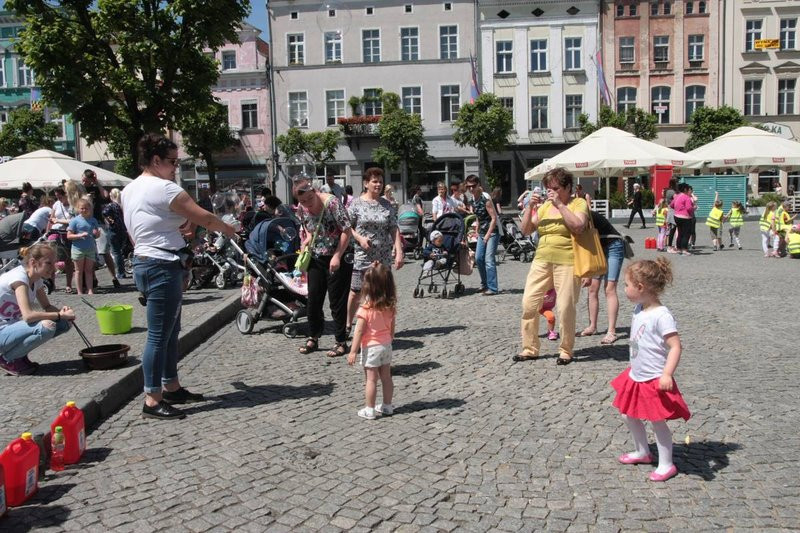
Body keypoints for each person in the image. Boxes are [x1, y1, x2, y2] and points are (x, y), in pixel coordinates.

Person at [122, 133, 237, 420]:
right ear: (156, 160)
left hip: (146, 260)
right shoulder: (165, 189)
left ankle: (171, 387)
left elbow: (142, 227)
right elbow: (206, 219)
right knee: (159, 336)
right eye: (172, 161)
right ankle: (151, 398)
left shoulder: (129, 189)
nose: (176, 167)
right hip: (162, 263)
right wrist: (230, 229)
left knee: (170, 332)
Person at [611, 257, 690, 482]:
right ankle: (643, 451)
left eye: (626, 285)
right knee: (628, 415)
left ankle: (667, 463)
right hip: (636, 374)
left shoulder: (661, 315)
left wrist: (667, 374)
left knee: (657, 421)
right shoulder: (639, 308)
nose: (624, 289)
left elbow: (675, 346)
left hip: (654, 377)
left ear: (640, 287)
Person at [516, 168, 589, 365]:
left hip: (567, 260)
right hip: (542, 259)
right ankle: (529, 348)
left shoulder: (578, 203)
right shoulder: (545, 206)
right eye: (549, 188)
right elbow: (525, 229)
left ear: (567, 187)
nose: (551, 192)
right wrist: (530, 208)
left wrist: (559, 204)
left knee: (565, 307)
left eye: (556, 188)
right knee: (529, 303)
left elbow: (578, 226)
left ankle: (566, 349)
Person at [293, 174, 353, 358]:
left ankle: (341, 341)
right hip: (317, 257)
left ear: (315, 191)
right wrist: (307, 241)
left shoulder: (332, 203)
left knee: (337, 301)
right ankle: (313, 336)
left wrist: (337, 255)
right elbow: (311, 229)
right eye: (302, 201)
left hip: (338, 256)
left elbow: (347, 230)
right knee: (314, 300)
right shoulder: (303, 209)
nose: (307, 204)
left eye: (310, 198)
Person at [347, 168, 403, 351]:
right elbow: (348, 227)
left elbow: (393, 228)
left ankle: (381, 329)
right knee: (356, 292)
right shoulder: (356, 204)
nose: (377, 184)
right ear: (365, 183)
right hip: (363, 255)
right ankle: (348, 325)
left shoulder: (387, 205)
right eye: (374, 181)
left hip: (383, 256)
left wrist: (399, 249)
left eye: (380, 181)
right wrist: (360, 239)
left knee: (383, 292)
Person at [0, 244, 75, 376]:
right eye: (48, 263)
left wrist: (63, 313)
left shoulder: (36, 279)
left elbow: (46, 307)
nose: (54, 268)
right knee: (47, 326)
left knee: (64, 324)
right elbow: (28, 316)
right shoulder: (19, 279)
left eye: (54, 263)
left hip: (8, 327)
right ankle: (8, 360)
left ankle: (19, 355)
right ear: (33, 262)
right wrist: (59, 315)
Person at [347, 262, 396, 420]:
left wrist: (353, 351)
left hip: (371, 346)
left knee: (371, 379)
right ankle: (387, 406)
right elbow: (392, 327)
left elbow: (359, 331)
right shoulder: (390, 306)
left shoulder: (365, 309)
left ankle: (369, 409)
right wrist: (390, 338)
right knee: (386, 377)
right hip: (386, 345)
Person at [578, 210, 626, 345]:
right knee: (592, 288)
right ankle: (592, 326)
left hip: (613, 245)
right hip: (596, 248)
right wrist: (587, 273)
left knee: (609, 288)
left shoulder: (580, 213)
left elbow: (585, 242)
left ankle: (611, 331)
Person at [82, 169, 120, 289]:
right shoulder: (80, 189)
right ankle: (93, 278)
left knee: (104, 251)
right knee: (90, 252)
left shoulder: (95, 188)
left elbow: (105, 195)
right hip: (86, 222)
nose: (85, 181)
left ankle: (114, 277)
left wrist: (97, 182)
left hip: (98, 221)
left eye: (87, 180)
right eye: (84, 179)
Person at [465, 175, 499, 295]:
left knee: (488, 259)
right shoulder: (472, 200)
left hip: (493, 231)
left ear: (478, 184)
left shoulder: (485, 198)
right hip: (482, 232)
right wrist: (477, 228)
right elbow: (478, 216)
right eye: (468, 186)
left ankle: (493, 288)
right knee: (479, 258)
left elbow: (494, 218)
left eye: (473, 186)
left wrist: (487, 235)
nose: (471, 189)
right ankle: (484, 284)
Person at [67, 199, 100, 296]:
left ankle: (90, 290)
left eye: (86, 208)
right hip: (78, 248)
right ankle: (79, 291)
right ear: (78, 209)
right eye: (82, 208)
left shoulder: (93, 220)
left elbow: (96, 235)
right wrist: (79, 235)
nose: (84, 210)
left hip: (90, 248)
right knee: (78, 270)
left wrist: (97, 234)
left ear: (90, 208)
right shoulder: (74, 220)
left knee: (89, 270)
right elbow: (69, 236)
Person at [103, 189, 129, 279]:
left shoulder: (111, 205)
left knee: (116, 252)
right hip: (123, 230)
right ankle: (122, 271)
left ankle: (121, 273)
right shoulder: (123, 206)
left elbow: (104, 212)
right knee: (120, 252)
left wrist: (110, 220)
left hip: (114, 230)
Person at [669, 183, 694, 256]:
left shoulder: (677, 196)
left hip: (676, 216)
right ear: (685, 189)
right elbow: (689, 208)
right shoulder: (687, 197)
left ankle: (679, 248)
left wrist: (678, 209)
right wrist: (694, 208)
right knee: (686, 234)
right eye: (688, 189)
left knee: (680, 233)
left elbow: (671, 205)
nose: (689, 190)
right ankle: (684, 250)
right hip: (685, 217)